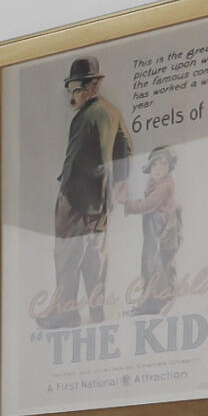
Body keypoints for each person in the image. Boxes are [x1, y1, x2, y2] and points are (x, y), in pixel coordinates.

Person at [40, 55, 131, 329]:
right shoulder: (112, 112)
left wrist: (67, 191)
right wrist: (118, 182)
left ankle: (66, 313)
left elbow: (77, 160)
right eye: (70, 91)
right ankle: (97, 311)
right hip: (101, 200)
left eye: (77, 90)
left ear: (93, 86)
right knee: (95, 256)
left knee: (67, 257)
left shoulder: (86, 117)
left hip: (75, 199)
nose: (72, 98)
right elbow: (125, 147)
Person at [115, 145, 182, 315]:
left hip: (161, 228)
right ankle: (159, 297)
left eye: (163, 164)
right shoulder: (155, 183)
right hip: (159, 227)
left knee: (155, 264)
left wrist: (127, 203)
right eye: (155, 164)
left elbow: (149, 204)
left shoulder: (165, 184)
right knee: (157, 263)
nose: (158, 168)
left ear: (169, 167)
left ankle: (153, 303)